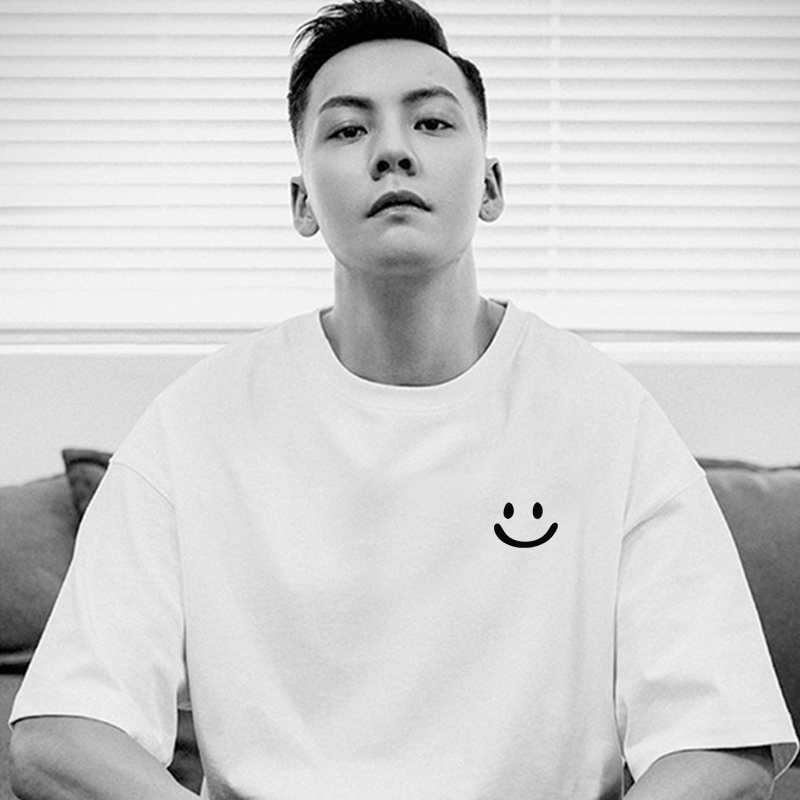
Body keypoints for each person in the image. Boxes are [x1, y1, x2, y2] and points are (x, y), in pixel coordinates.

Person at [8, 1, 798, 798]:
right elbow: (58, 734)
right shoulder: (195, 426)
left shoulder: (609, 420)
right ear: (302, 203)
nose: (392, 151)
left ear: (490, 185)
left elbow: (719, 745)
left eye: (431, 123)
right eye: (349, 129)